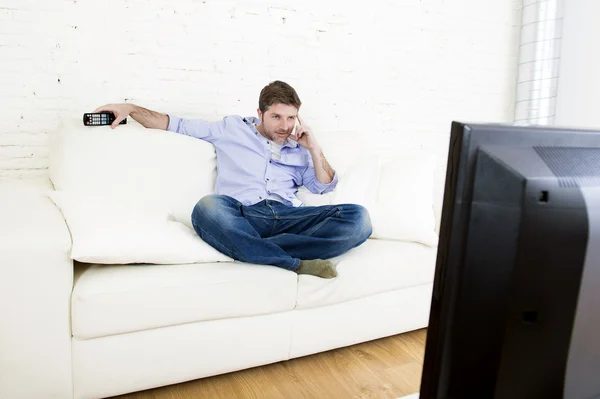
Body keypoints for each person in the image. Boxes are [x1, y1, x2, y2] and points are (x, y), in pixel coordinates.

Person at [94, 80, 372, 278]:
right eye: (276, 116)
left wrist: (313, 148)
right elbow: (174, 123)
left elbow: (325, 186)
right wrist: (130, 108)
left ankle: (252, 249)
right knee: (207, 208)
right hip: (243, 214)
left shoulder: (299, 148)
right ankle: (293, 263)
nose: (285, 126)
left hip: (288, 216)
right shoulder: (230, 129)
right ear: (260, 113)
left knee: (359, 219)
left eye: (291, 117)